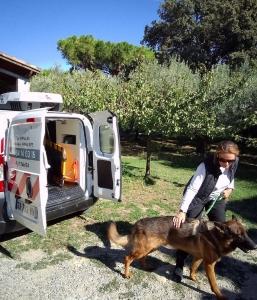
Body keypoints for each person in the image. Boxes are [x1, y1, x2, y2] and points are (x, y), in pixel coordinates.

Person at [172, 140, 240, 283]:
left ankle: (213, 254)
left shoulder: (234, 162)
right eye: (223, 160)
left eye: (231, 161)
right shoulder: (205, 166)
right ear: (217, 155)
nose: (227, 164)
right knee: (189, 231)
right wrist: (182, 211)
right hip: (198, 197)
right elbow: (192, 189)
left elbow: (231, 175)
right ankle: (179, 265)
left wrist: (230, 188)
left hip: (217, 198)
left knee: (222, 228)